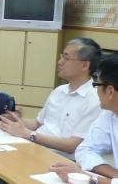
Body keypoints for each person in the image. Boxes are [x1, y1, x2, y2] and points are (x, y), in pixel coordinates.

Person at [0, 37, 103, 184]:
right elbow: (37, 123)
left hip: (59, 160)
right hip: (33, 148)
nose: (60, 61)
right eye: (62, 56)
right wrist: (17, 121)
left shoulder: (94, 100)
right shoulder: (59, 91)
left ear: (84, 65)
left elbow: (71, 146)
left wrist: (28, 134)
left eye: (66, 57)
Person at [50, 55, 118, 184]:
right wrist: (115, 175)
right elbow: (85, 150)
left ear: (110, 91)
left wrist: (90, 179)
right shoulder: (109, 114)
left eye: (97, 85)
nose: (96, 91)